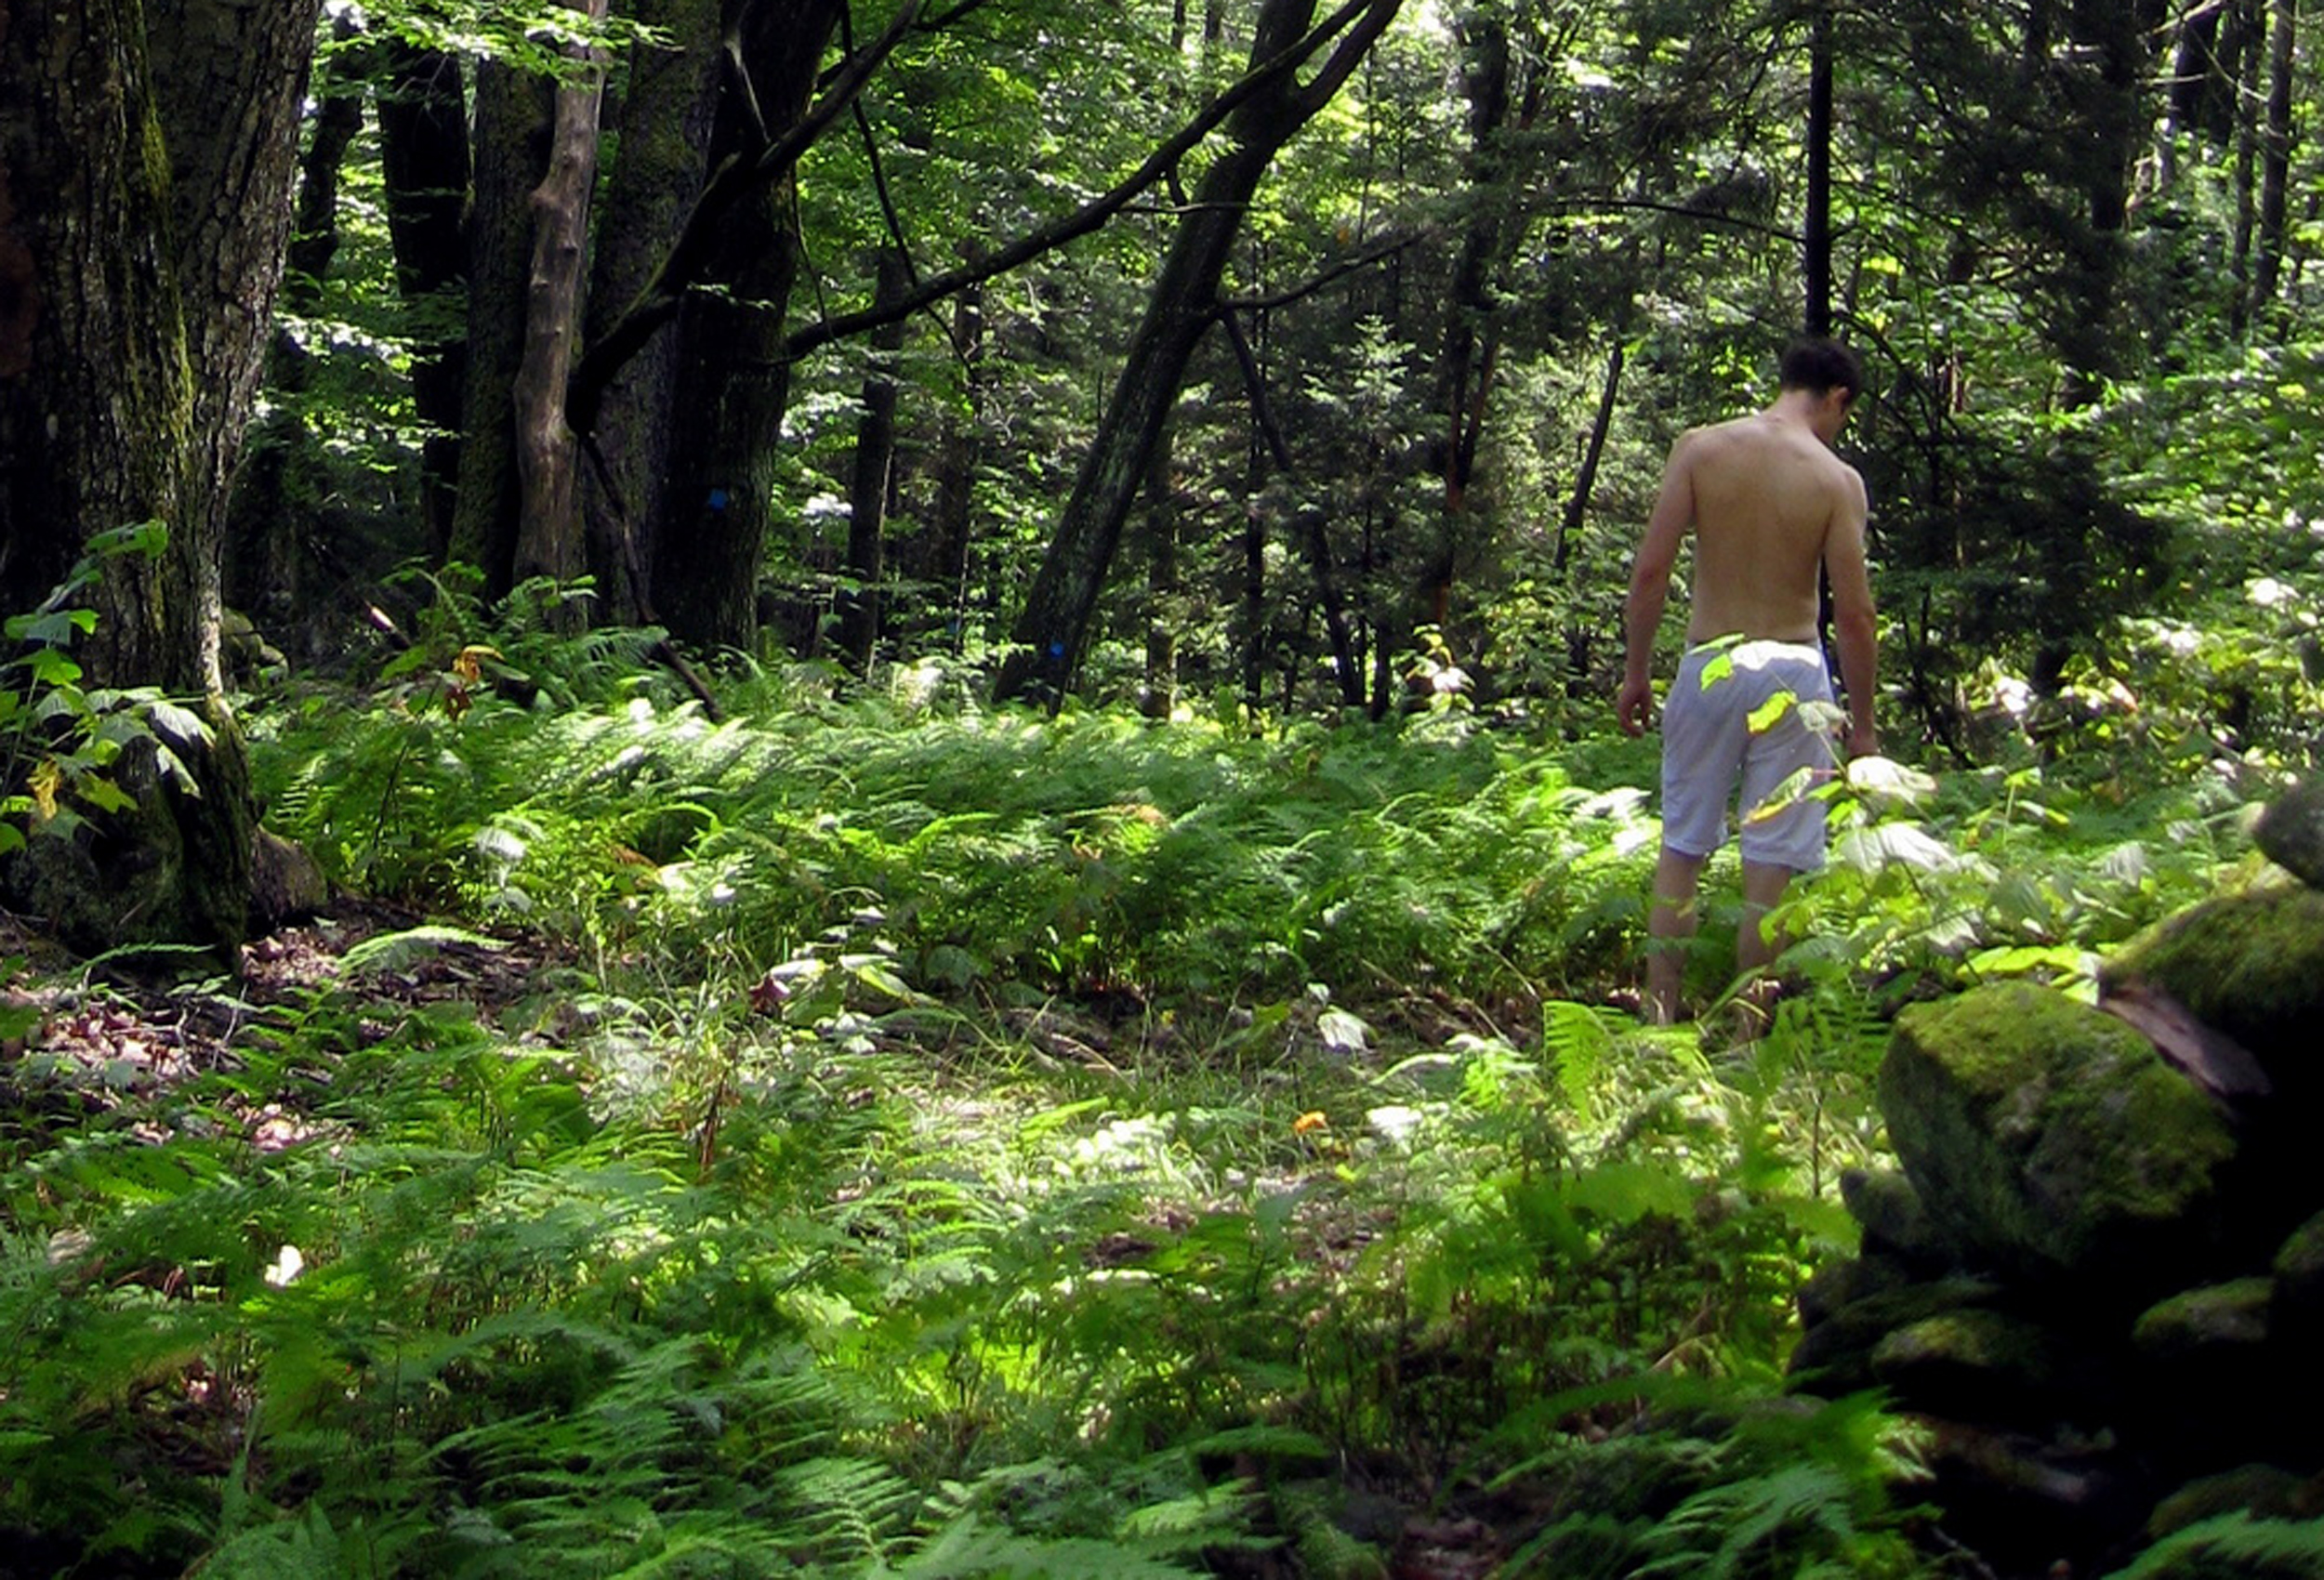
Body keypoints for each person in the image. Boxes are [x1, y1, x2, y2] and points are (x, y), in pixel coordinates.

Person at [1616, 337, 1877, 1026]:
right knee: (1774, 861)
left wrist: (1636, 673)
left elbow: (1650, 573)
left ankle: (1659, 1020)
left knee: (1683, 844)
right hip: (1793, 668)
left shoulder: (1702, 449)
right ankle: (1746, 1036)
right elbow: (1852, 615)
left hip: (1712, 660)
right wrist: (1866, 727)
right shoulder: (1835, 480)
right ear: (1837, 398)